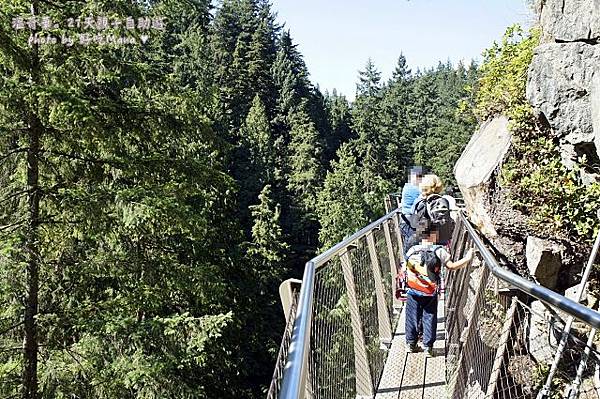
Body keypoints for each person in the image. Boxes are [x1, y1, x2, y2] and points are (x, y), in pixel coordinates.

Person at [404, 221, 474, 357]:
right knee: (429, 316)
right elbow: (451, 266)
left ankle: (411, 344)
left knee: (412, 316)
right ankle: (428, 347)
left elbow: (406, 266)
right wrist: (467, 258)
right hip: (430, 292)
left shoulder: (412, 250)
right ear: (434, 234)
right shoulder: (439, 250)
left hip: (413, 290)